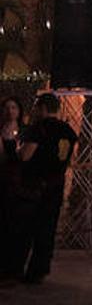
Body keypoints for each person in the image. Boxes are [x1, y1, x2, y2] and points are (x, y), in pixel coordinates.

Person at [12, 93, 77, 284]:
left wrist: (16, 150)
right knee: (46, 231)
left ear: (43, 108)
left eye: (36, 107)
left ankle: (16, 268)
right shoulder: (68, 131)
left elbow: (25, 156)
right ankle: (39, 270)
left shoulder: (39, 130)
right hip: (56, 187)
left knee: (24, 230)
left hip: (34, 187)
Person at [0, 97, 25, 281]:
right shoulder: (1, 131)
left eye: (14, 108)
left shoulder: (24, 132)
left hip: (16, 180)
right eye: (7, 108)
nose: (10, 111)